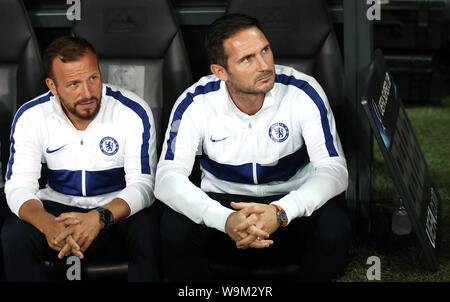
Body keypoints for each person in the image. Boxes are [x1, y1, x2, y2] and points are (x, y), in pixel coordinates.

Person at [155, 14, 351, 281]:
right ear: (220, 72)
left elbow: (334, 170)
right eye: (247, 59)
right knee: (174, 225)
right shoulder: (195, 102)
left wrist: (281, 212)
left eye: (265, 50)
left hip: (289, 206)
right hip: (224, 210)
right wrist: (224, 219)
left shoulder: (303, 91)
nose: (264, 65)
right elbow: (167, 179)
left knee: (334, 223)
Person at [1, 36, 161, 281]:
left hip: (114, 211)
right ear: (52, 86)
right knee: (14, 233)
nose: (87, 93)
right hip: (57, 211)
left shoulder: (132, 111)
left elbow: (143, 185)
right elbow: (18, 186)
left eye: (93, 78)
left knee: (148, 227)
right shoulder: (31, 116)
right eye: (73, 84)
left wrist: (99, 217)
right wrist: (48, 225)